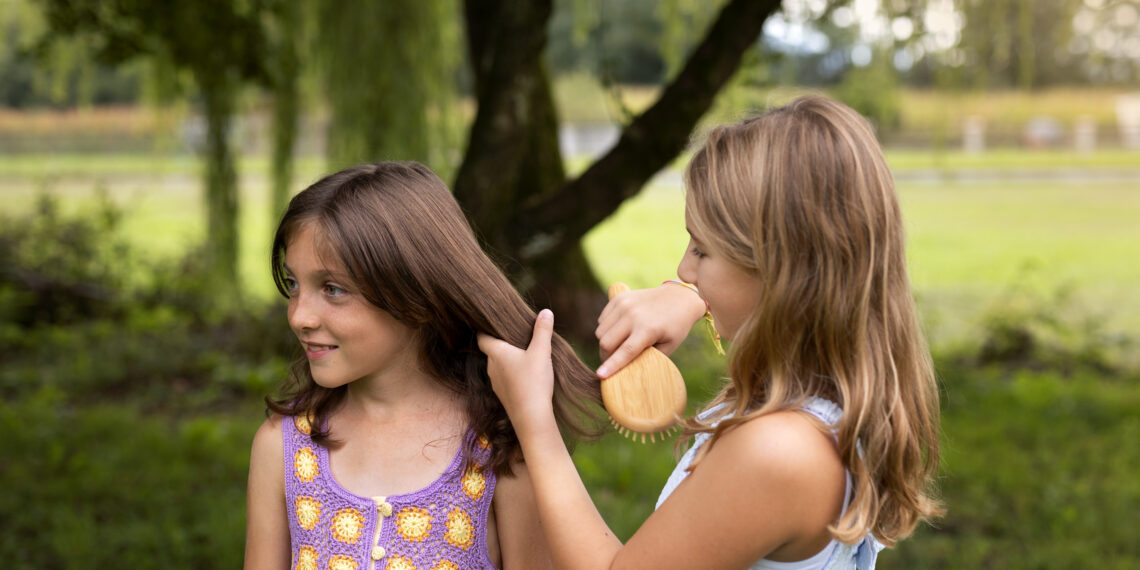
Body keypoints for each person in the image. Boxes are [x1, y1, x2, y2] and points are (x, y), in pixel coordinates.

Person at [478, 95, 943, 569]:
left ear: (778, 271)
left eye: (702, 250)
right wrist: (688, 296)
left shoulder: (776, 453)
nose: (683, 268)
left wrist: (534, 420)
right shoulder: (826, 411)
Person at [244, 161, 604, 570]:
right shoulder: (282, 447)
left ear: (414, 291)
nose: (299, 317)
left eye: (333, 289)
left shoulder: (499, 449)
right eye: (293, 284)